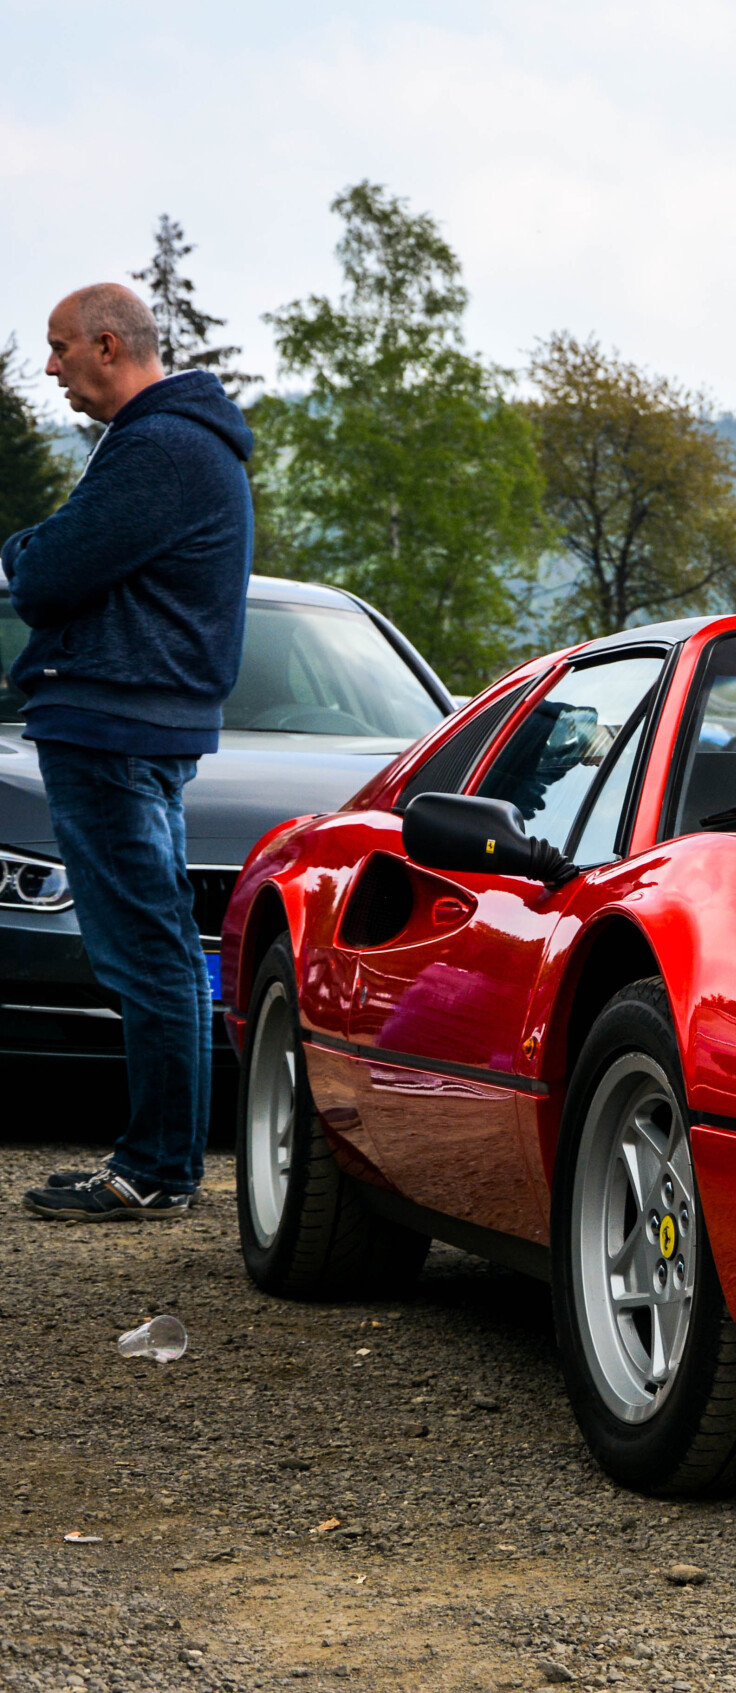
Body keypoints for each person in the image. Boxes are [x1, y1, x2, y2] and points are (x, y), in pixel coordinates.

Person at [9, 283, 254, 1222]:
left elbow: (48, 571)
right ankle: (155, 1159)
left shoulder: (159, 447)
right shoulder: (172, 445)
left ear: (109, 345)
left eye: (61, 346)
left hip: (112, 727)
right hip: (129, 724)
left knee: (145, 950)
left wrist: (30, 550)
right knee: (149, 945)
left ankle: (155, 1166)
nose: (50, 365)